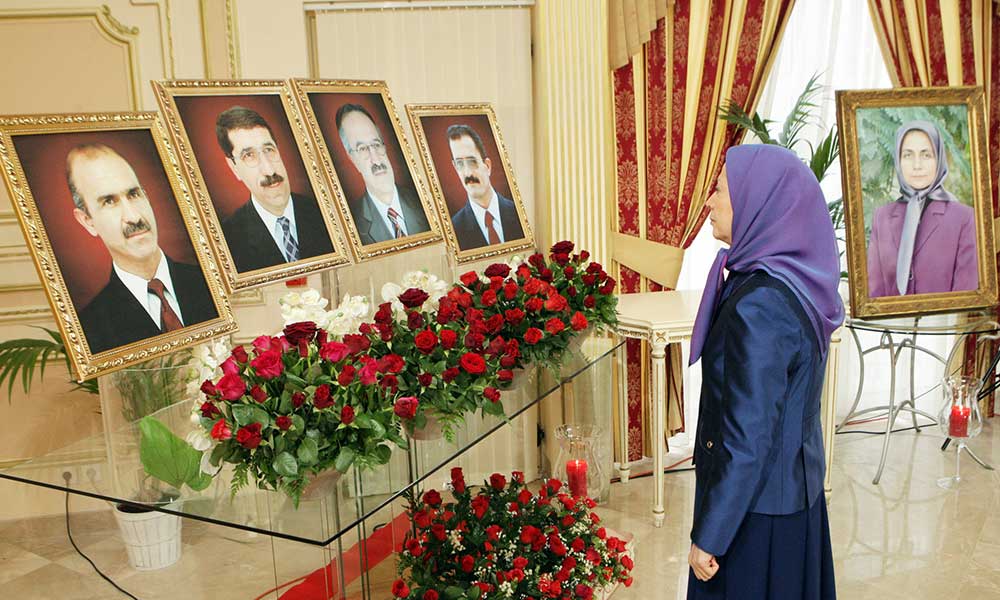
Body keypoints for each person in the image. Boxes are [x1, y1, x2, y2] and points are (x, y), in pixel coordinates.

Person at [687, 145, 842, 599]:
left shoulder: (761, 305)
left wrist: (711, 535)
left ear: (759, 203)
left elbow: (748, 437)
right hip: (793, 498)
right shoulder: (792, 282)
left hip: (756, 517)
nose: (709, 203)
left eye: (718, 191)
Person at [68, 143, 218, 354]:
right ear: (87, 221)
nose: (134, 217)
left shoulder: (212, 282)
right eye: (109, 201)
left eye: (134, 194)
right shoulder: (90, 328)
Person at [216, 106, 334, 272]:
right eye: (249, 155)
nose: (270, 170)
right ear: (234, 167)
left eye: (269, 150)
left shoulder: (328, 213)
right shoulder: (225, 242)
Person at [867, 120, 978, 297]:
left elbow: (966, 293)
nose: (917, 165)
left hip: (943, 324)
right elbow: (873, 291)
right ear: (898, 160)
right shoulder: (882, 216)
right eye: (908, 155)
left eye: (926, 155)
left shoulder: (964, 218)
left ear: (939, 159)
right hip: (889, 324)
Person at [335, 103, 430, 245]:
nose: (376, 159)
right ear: (352, 159)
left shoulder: (425, 202)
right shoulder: (350, 225)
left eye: (376, 144)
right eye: (363, 149)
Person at [446, 124, 525, 250]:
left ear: (487, 166)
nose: (467, 173)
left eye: (472, 162)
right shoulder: (453, 230)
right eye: (460, 164)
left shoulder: (520, 213)